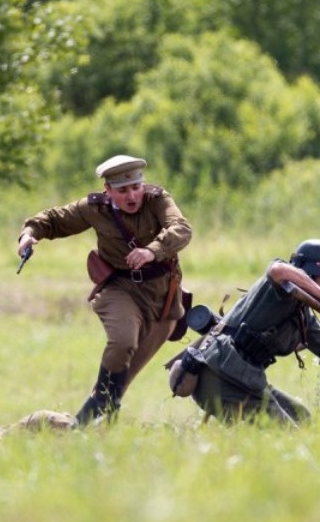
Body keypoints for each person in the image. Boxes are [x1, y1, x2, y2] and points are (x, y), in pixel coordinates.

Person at [17, 154, 193, 426]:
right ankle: (94, 415)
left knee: (119, 381)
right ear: (108, 191)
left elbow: (181, 228)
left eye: (136, 187)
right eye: (122, 190)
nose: (132, 195)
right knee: (122, 341)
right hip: (120, 289)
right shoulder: (95, 208)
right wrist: (29, 234)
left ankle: (87, 426)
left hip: (163, 300)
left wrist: (151, 251)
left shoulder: (157, 200)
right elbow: (55, 219)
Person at [180, 239, 320, 425]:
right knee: (285, 431)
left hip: (239, 378)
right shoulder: (278, 289)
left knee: (301, 419)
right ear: (311, 272)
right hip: (220, 377)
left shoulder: (302, 314)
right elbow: (278, 269)